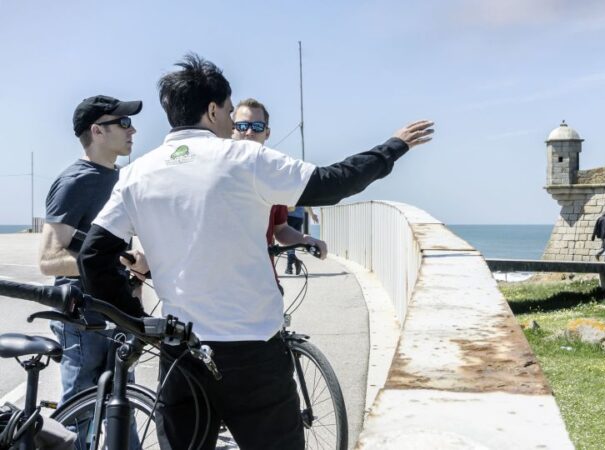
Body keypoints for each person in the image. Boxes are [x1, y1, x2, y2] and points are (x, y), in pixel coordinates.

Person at [77, 53, 434, 450]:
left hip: (179, 352)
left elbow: (93, 256)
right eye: (230, 112)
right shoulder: (245, 158)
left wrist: (139, 324)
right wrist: (393, 147)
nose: (232, 122)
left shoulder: (135, 174)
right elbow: (334, 183)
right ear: (212, 110)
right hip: (254, 354)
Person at [39, 95, 147, 407]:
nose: (133, 130)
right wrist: (105, 262)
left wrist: (132, 267)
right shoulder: (75, 182)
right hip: (83, 319)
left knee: (122, 409)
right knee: (81, 413)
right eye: (124, 122)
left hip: (119, 313)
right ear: (97, 131)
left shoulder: (120, 178)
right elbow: (48, 260)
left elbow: (121, 247)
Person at [231, 97, 327, 281]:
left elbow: (280, 229)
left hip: (263, 285)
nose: (249, 132)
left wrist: (306, 239)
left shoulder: (272, 176)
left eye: (257, 127)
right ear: (232, 129)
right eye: (242, 126)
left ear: (267, 133)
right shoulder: (212, 170)